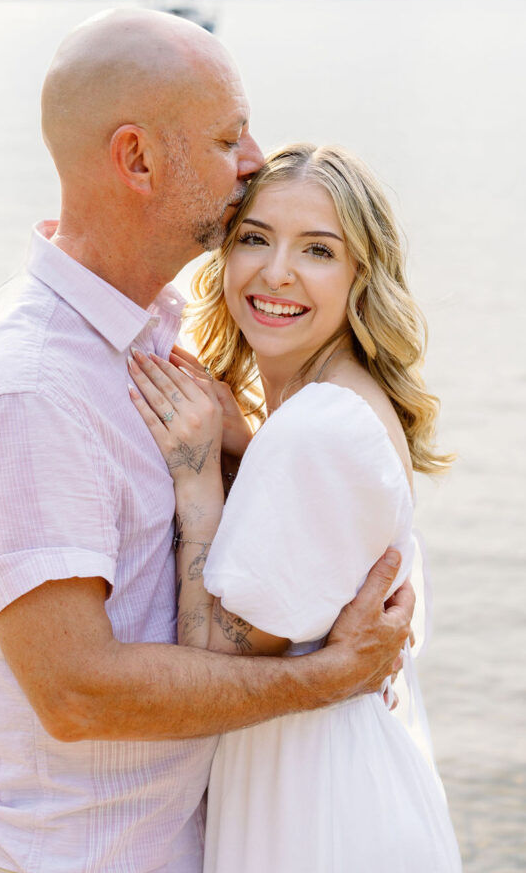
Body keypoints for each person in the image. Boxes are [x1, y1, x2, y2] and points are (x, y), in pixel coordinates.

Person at [0, 11, 414, 873]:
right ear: (137, 158)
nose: (254, 159)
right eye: (228, 137)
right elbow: (76, 691)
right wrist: (326, 680)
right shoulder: (30, 388)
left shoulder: (144, 338)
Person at [129, 141, 462, 872]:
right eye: (255, 239)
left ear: (360, 275)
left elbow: (211, 663)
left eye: (318, 250)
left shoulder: (317, 428)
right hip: (334, 782)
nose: (276, 272)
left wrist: (197, 481)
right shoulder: (331, 407)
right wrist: (249, 448)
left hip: (320, 819)